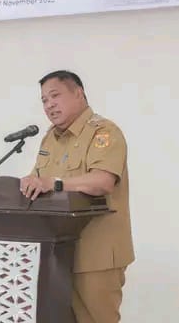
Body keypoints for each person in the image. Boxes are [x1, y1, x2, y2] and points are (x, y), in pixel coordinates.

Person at [19, 70, 134, 323]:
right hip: (56, 254)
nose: (49, 105)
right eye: (44, 100)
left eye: (55, 96)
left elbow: (103, 181)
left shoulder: (104, 132)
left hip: (96, 254)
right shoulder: (50, 138)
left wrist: (54, 183)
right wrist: (28, 183)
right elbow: (39, 179)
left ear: (78, 93)